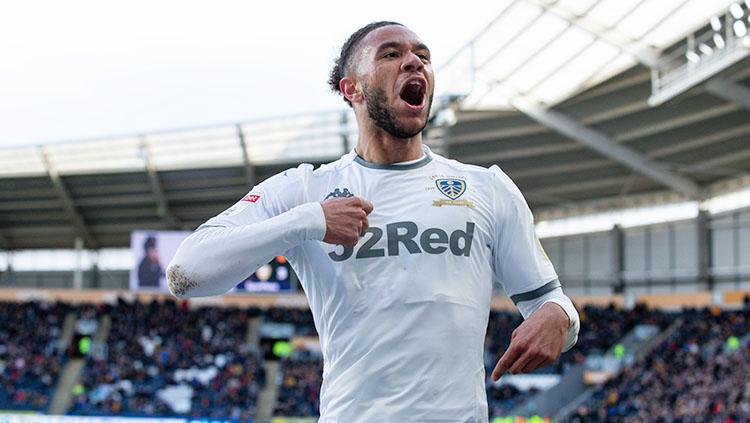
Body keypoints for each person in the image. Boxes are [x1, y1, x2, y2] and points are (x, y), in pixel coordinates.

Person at [167, 21, 580, 422]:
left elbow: (551, 301)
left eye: (423, 56)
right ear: (352, 88)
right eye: (391, 54)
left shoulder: (487, 188)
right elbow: (187, 272)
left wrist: (559, 316)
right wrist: (308, 221)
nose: (414, 63)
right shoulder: (306, 189)